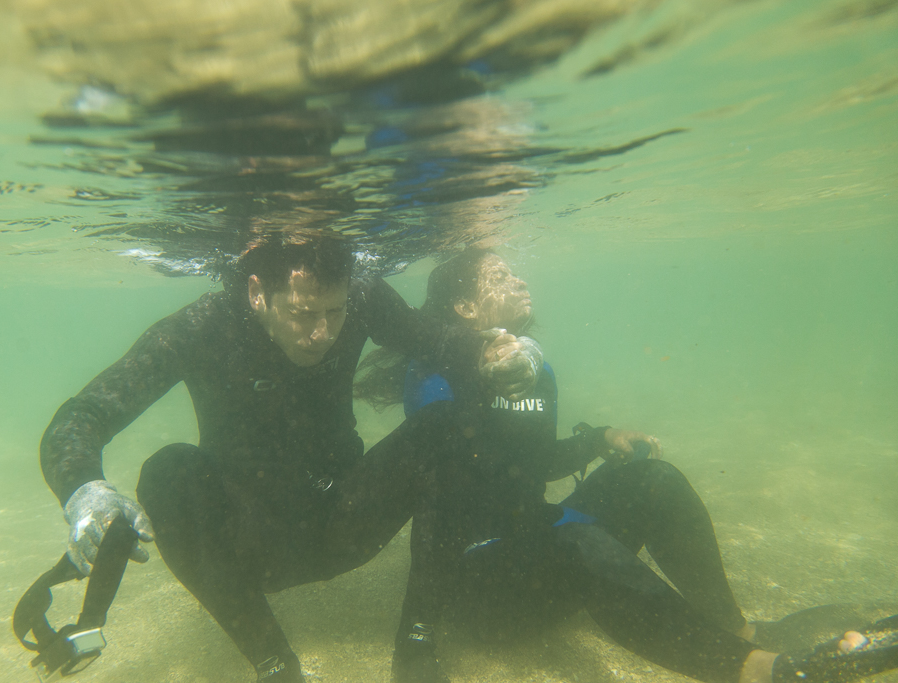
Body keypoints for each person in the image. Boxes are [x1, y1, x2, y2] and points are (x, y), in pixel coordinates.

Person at [353, 247, 898, 683]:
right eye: (500, 277)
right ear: (465, 309)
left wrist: (597, 440)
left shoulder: (537, 373)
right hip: (483, 585)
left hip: (536, 548)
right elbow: (447, 492)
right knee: (579, 543)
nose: (519, 282)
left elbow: (528, 464)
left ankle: (738, 628)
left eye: (515, 273)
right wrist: (418, 634)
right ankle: (755, 670)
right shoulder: (433, 378)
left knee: (654, 480)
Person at [38, 233, 546, 682]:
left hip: (347, 518)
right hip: (252, 544)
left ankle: (418, 642)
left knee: (447, 424)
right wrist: (84, 489)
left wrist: (503, 352)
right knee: (166, 471)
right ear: (257, 293)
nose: (322, 333)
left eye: (334, 313)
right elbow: (84, 414)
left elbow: (438, 339)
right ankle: (274, 664)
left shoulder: (360, 295)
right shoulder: (202, 326)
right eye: (303, 314)